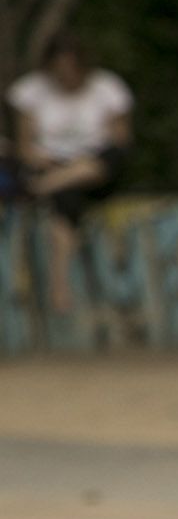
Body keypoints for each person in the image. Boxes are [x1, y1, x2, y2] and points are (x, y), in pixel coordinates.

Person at [6, 32, 133, 313]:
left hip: (96, 167)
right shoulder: (32, 90)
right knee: (65, 204)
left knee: (94, 164)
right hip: (54, 168)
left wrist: (80, 159)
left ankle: (37, 188)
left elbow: (120, 141)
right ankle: (59, 287)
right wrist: (47, 161)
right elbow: (25, 146)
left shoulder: (107, 87)